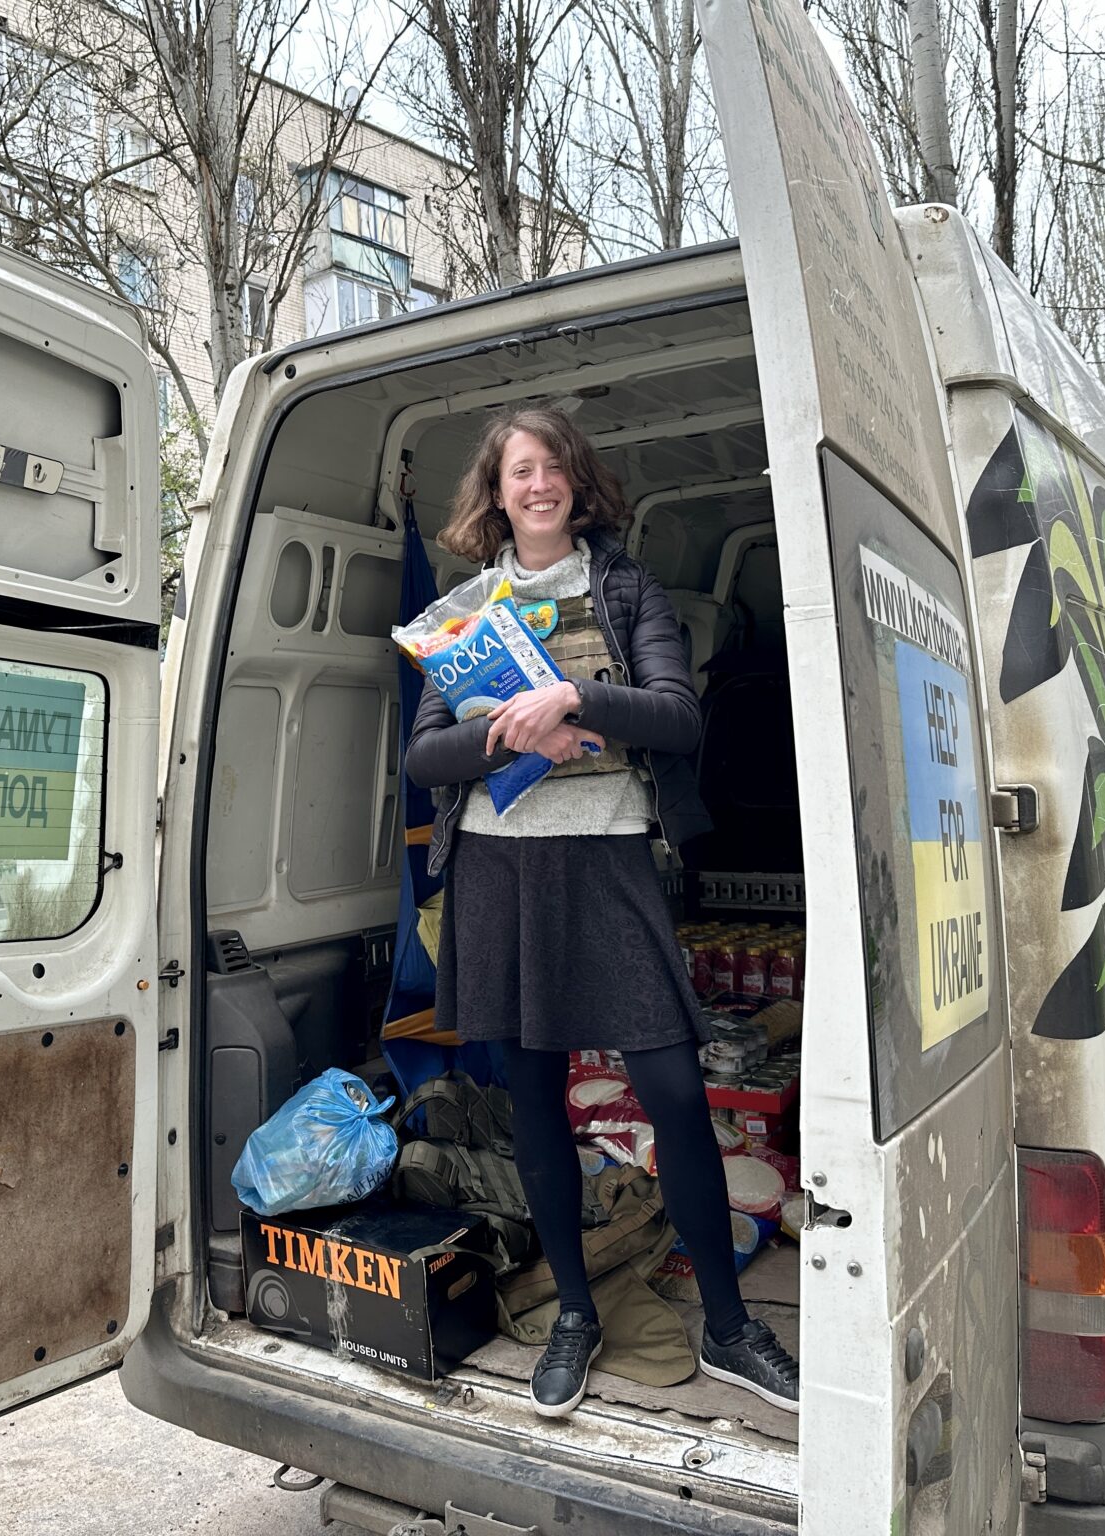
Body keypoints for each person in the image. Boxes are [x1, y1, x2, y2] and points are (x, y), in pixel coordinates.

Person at [405, 405, 801, 1418]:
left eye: (553, 468)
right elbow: (423, 758)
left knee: (674, 1091)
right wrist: (511, 732)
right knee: (535, 1100)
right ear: (495, 494)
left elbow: (677, 717)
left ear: (577, 484)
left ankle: (727, 1327)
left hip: (609, 862)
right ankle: (574, 1315)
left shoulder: (626, 592)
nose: (537, 485)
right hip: (498, 873)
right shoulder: (462, 610)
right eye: (518, 472)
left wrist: (570, 699)